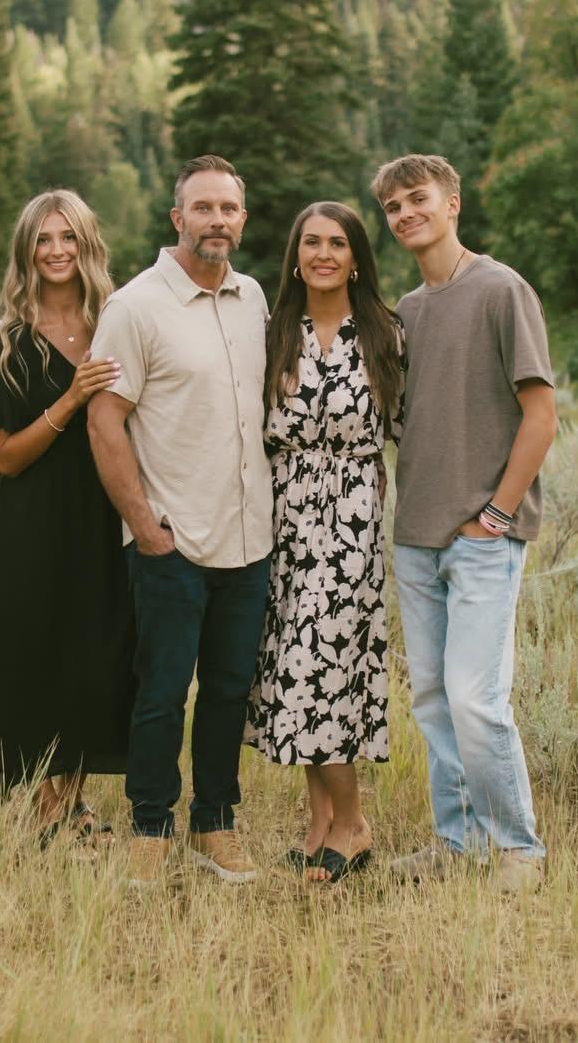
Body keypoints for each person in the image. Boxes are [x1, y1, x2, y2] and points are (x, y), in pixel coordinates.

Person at [86, 154, 274, 889]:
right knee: (163, 690)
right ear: (177, 218)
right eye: (203, 208)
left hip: (248, 537)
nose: (217, 221)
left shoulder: (254, 298)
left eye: (228, 209)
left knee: (230, 690)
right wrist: (145, 526)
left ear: (242, 219)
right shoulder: (135, 307)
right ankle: (150, 826)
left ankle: (215, 824)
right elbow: (106, 426)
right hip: (173, 540)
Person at [373, 153, 558, 894]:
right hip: (415, 537)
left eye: (418, 199)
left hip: (482, 536)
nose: (406, 214)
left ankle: (517, 850)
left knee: (477, 700)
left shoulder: (500, 289)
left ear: (452, 203)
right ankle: (457, 843)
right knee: (432, 700)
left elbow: (540, 417)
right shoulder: (408, 313)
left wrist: (497, 513)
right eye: (393, 207)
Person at [244, 201, 403, 884]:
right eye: (310, 242)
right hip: (281, 520)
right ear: (296, 255)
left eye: (337, 242)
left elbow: (409, 432)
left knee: (324, 668)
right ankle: (320, 825)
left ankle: (355, 822)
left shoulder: (385, 333)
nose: (323, 253)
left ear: (357, 255)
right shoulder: (274, 329)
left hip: (350, 524)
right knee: (294, 670)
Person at [0, 190, 132, 841]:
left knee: (93, 657)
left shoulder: (116, 325)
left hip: (103, 515)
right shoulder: (9, 342)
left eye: (68, 237)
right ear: (27, 252)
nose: (57, 251)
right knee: (35, 657)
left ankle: (74, 803)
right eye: (44, 239)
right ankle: (47, 811)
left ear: (88, 245)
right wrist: (69, 400)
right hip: (32, 524)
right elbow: (7, 459)